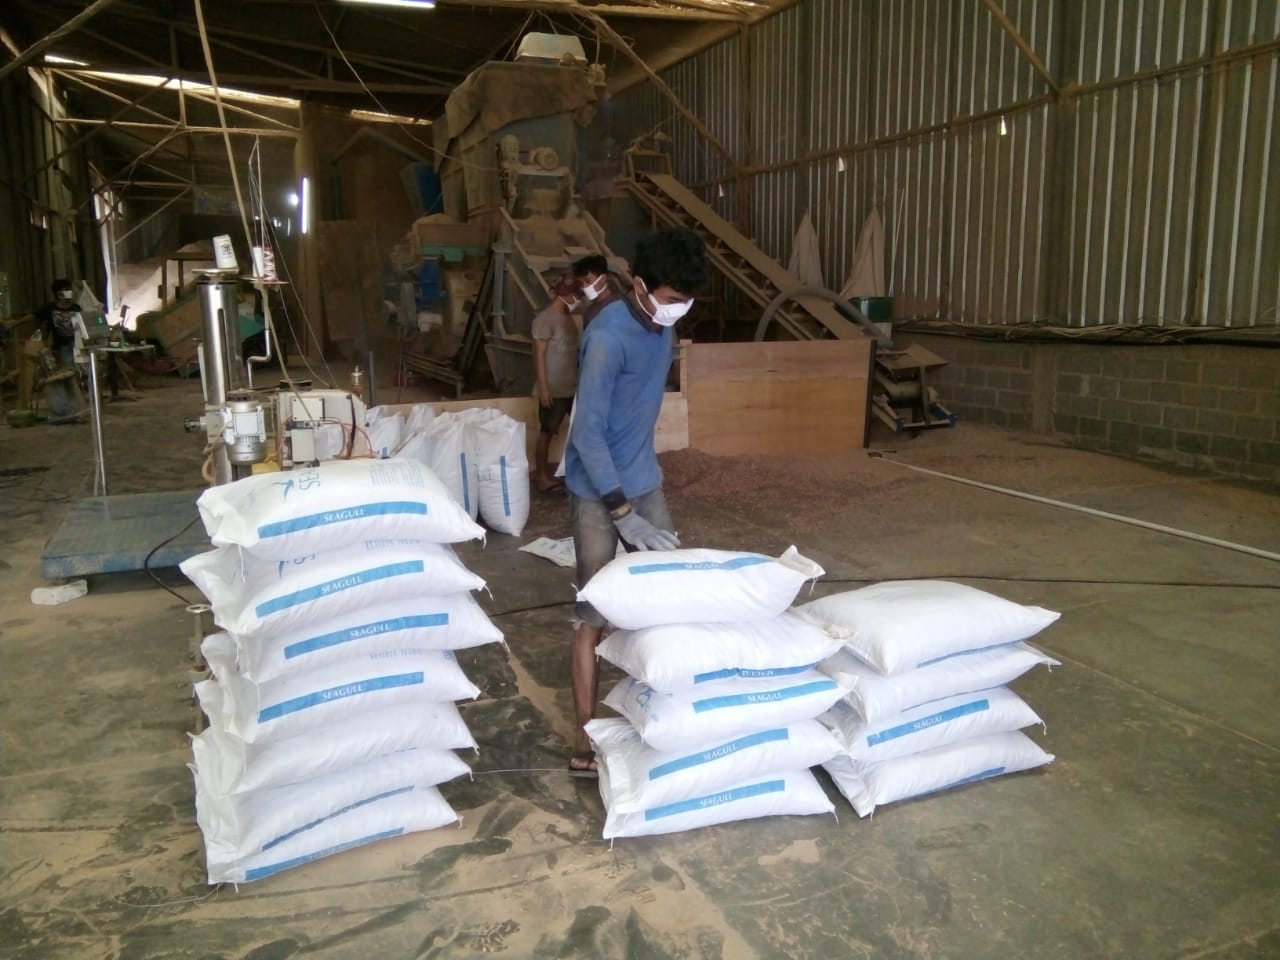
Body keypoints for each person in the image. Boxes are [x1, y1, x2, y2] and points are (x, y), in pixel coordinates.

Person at [562, 227, 708, 777]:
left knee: (665, 602)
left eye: (686, 301)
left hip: (644, 481)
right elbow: (587, 433)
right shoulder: (607, 338)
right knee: (593, 615)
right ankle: (584, 739)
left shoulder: (663, 330)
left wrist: (640, 499)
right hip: (597, 492)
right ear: (641, 286)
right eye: (672, 299)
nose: (679, 310)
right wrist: (621, 512)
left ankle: (659, 722)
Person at [531, 274, 581, 493]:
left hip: (572, 386)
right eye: (576, 295)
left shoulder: (567, 317)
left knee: (582, 429)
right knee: (547, 431)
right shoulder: (545, 319)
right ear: (565, 294)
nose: (578, 299)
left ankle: (577, 474)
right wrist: (543, 388)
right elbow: (539, 356)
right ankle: (541, 476)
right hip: (554, 388)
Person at [34, 279, 88, 423]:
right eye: (66, 290)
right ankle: (71, 407)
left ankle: (83, 403)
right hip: (62, 346)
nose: (69, 292)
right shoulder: (49, 308)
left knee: (84, 372)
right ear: (58, 293)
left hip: (78, 345)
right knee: (69, 374)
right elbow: (35, 317)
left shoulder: (76, 308)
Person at [572, 254, 617, 328]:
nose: (584, 286)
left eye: (588, 281)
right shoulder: (589, 313)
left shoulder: (620, 305)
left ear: (603, 278)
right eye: (581, 283)